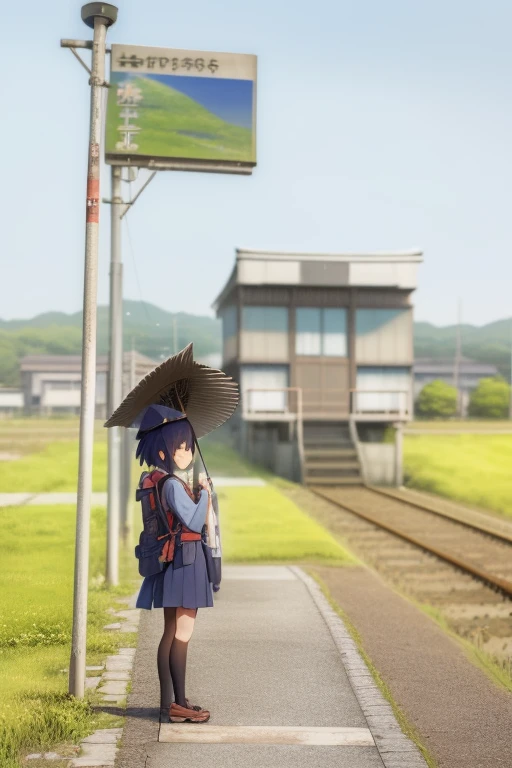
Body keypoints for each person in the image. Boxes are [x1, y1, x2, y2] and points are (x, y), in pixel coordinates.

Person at [134, 405, 213, 725]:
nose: (186, 451)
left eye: (188, 445)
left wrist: (194, 491)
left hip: (173, 561)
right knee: (182, 632)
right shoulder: (170, 484)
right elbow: (194, 520)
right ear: (163, 451)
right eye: (179, 446)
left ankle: (169, 703)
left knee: (171, 631)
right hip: (186, 561)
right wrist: (205, 494)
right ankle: (179, 704)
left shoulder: (160, 481)